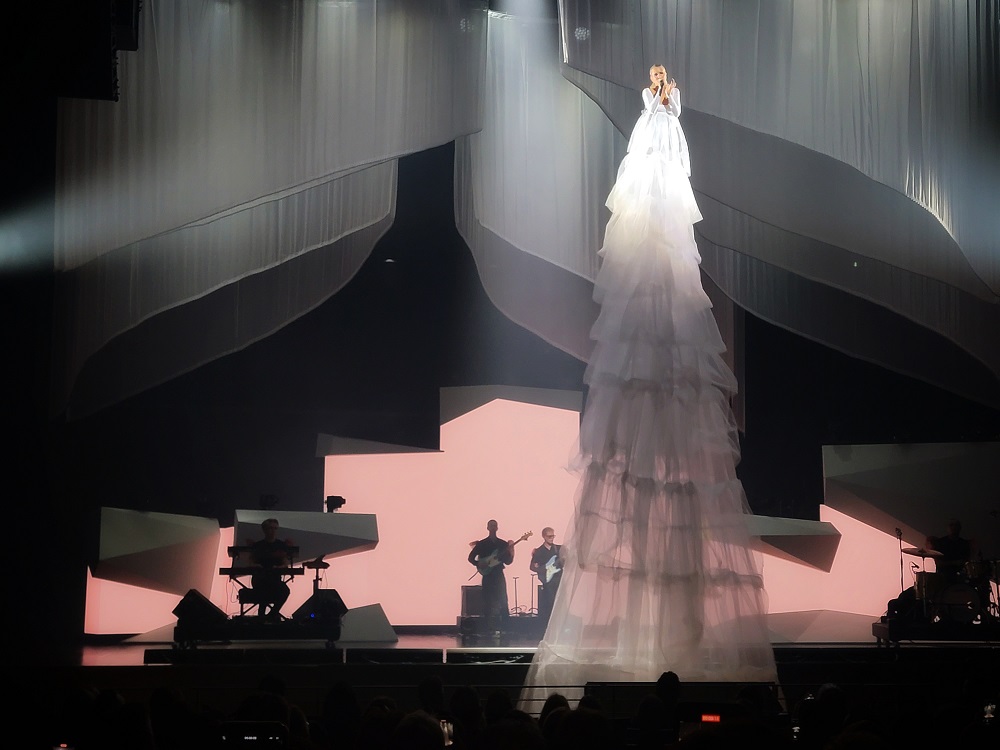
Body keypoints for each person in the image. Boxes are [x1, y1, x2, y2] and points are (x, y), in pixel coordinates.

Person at [519, 61, 776, 707]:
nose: (660, 81)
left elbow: (665, 189)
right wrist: (655, 111)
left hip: (663, 259)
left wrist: (666, 109)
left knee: (669, 475)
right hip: (650, 260)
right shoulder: (646, 143)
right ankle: (657, 644)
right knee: (642, 458)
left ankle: (678, 637)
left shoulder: (664, 139)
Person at [468, 520, 515, 636]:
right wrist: (478, 564)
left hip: (498, 573)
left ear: (497, 528)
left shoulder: (503, 544)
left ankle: (506, 627)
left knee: (503, 600)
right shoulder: (482, 544)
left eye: (495, 526)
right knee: (488, 600)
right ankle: (488, 628)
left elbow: (508, 562)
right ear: (487, 528)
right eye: (491, 526)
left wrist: (512, 551)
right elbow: (470, 558)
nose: (493, 528)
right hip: (487, 574)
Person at [248, 518, 295, 620]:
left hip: (274, 578)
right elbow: (251, 561)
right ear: (264, 530)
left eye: (275, 528)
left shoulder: (281, 545)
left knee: (285, 591)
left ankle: (271, 615)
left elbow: (285, 562)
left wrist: (279, 567)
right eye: (270, 528)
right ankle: (264, 617)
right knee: (265, 590)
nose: (273, 531)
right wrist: (255, 565)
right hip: (260, 578)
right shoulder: (258, 545)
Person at [530, 527, 562, 624]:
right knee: (550, 604)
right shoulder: (539, 551)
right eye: (549, 536)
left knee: (560, 604)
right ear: (544, 536)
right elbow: (532, 566)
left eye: (553, 536)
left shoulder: (558, 548)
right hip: (548, 582)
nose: (552, 538)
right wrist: (544, 569)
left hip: (559, 579)